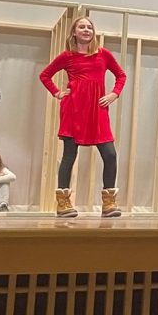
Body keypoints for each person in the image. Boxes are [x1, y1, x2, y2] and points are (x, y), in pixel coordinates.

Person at [39, 16, 126, 218]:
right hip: (74, 110)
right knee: (69, 156)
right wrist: (57, 92)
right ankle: (63, 204)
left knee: (110, 155)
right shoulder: (67, 56)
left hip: (97, 110)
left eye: (89, 27)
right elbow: (45, 75)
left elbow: (121, 75)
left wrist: (114, 94)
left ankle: (109, 203)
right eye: (82, 27)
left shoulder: (103, 54)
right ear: (74, 32)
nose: (86, 30)